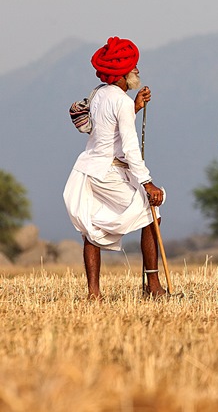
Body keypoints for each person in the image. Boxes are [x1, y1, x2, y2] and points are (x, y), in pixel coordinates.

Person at [63, 37, 167, 299]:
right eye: (134, 68)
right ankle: (153, 288)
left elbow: (108, 130)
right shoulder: (119, 100)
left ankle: (93, 293)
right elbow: (130, 148)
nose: (137, 72)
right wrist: (147, 183)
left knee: (91, 228)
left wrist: (135, 106)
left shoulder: (99, 93)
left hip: (88, 169)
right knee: (151, 213)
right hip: (108, 172)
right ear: (123, 73)